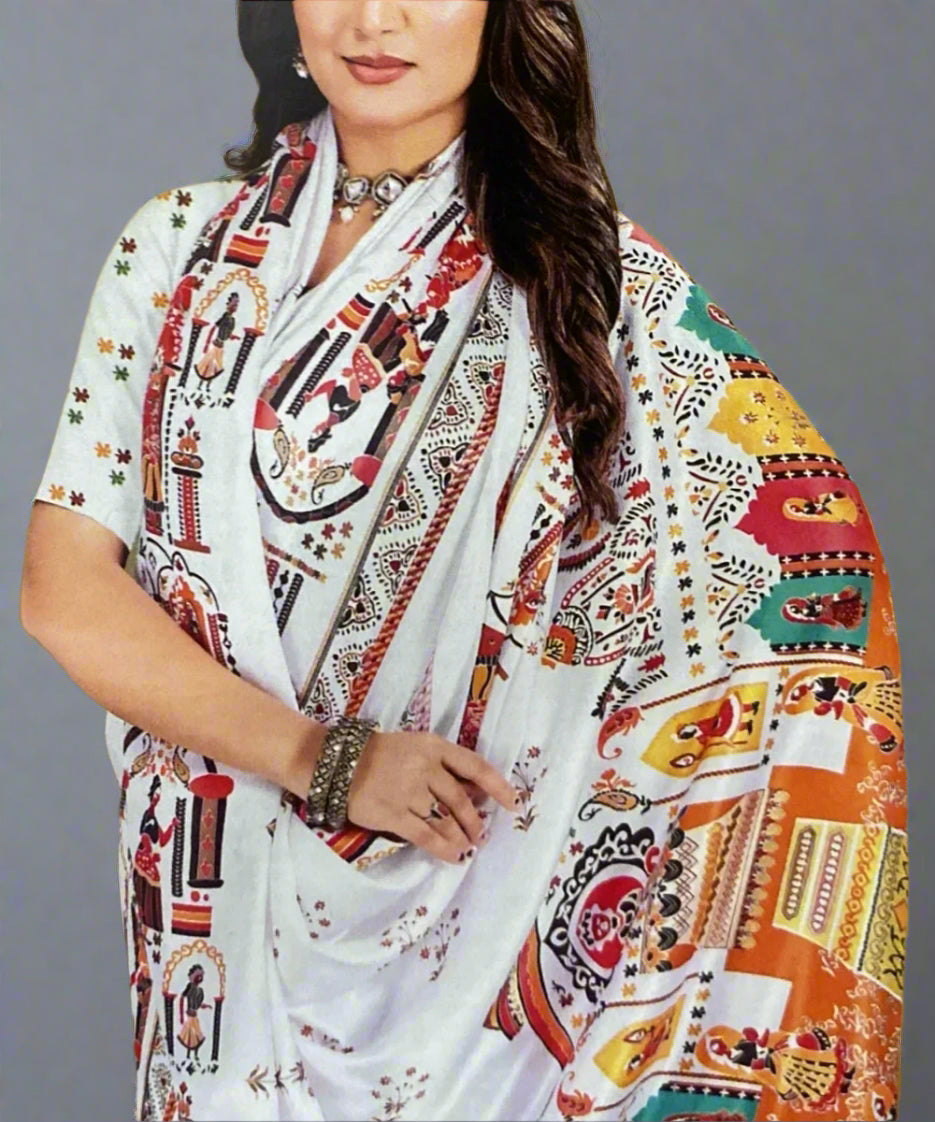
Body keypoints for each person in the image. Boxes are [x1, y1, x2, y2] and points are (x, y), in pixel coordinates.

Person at [19, 2, 908, 1120]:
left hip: (480, 943)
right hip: (223, 923)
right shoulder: (177, 252)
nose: (375, 19)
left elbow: (797, 566)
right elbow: (63, 590)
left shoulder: (588, 284)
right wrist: (324, 758)